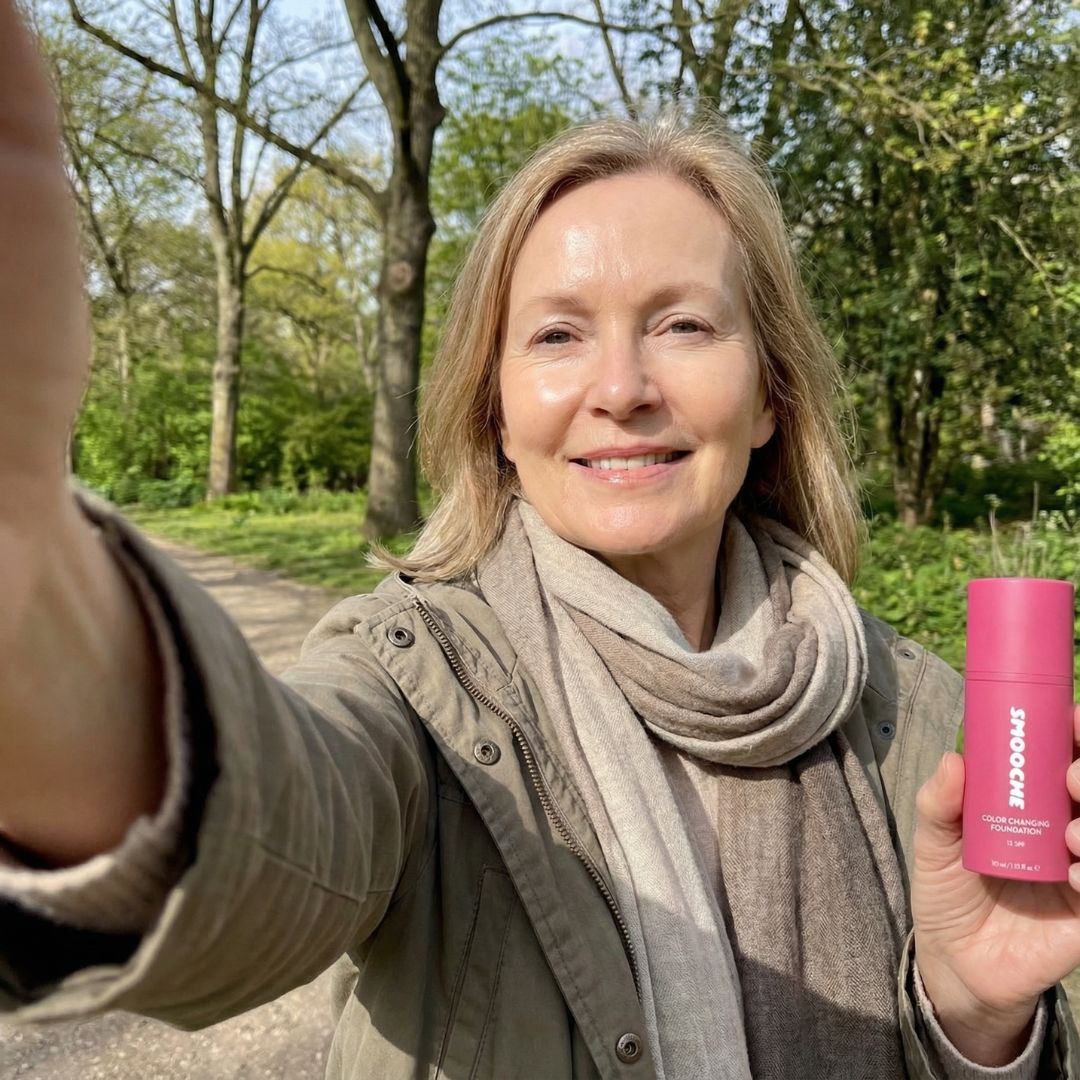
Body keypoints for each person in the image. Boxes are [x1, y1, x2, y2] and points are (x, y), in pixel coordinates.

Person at [1, 4, 1079, 1077]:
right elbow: (275, 852)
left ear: (769, 399)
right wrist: (43, 628)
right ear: (497, 415)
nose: (621, 389)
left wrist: (974, 1019)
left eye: (684, 325)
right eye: (558, 335)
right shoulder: (412, 688)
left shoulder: (916, 711)